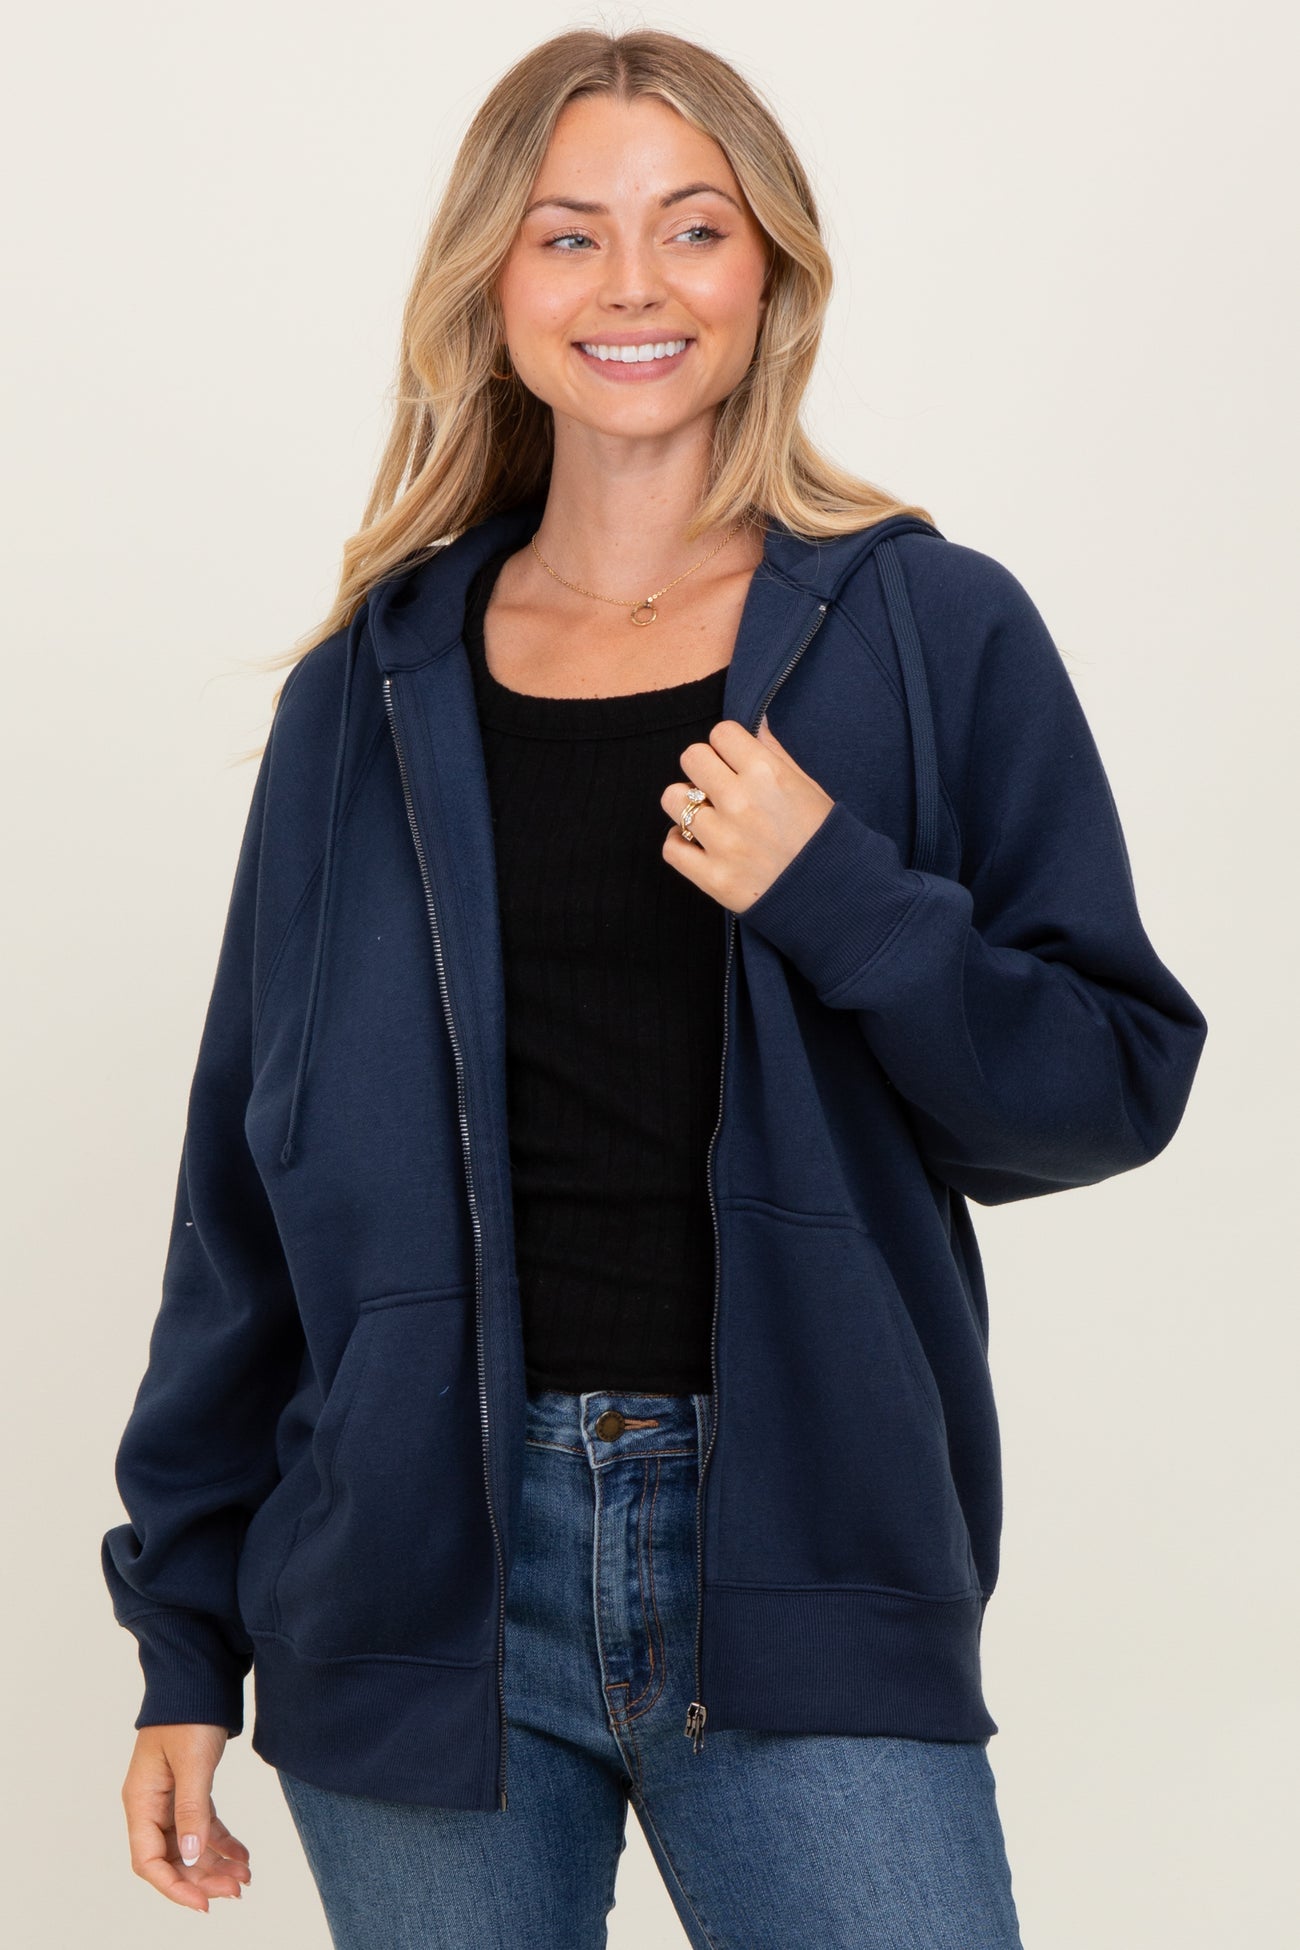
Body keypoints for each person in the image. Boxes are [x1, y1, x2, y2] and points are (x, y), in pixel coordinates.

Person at [101, 26, 1208, 1948]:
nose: (634, 284)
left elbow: (1109, 1082)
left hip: (806, 1549)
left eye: (692, 227)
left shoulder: (930, 628)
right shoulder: (367, 691)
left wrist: (839, 892)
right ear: (492, 284)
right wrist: (183, 1635)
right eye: (569, 235)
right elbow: (244, 1190)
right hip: (411, 1587)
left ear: (770, 270)